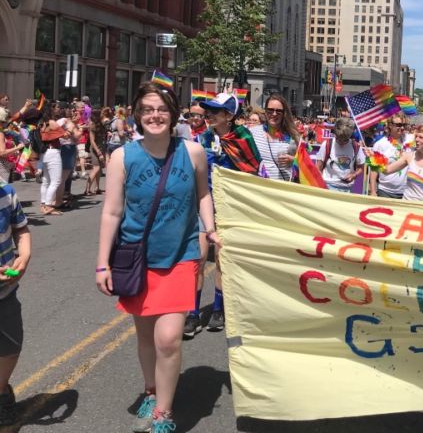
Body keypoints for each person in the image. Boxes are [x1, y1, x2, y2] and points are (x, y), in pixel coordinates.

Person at [96, 82, 216, 433]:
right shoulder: (122, 157)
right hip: (137, 259)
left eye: (161, 109)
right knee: (146, 336)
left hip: (180, 256)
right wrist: (102, 263)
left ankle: (163, 413)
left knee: (168, 339)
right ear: (137, 115)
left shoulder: (192, 152)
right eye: (147, 109)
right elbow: (112, 213)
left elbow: (203, 193)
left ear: (172, 113)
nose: (155, 115)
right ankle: (151, 389)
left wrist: (209, 230)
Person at [190, 93, 261, 337]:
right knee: (197, 258)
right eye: (207, 110)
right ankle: (192, 311)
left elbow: (251, 169)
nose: (208, 115)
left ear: (228, 116)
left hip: (230, 206)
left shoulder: (243, 137)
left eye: (214, 111)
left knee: (221, 259)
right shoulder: (202, 138)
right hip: (204, 204)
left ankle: (219, 309)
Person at [0, 180, 31, 425]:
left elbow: (20, 229)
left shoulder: (6, 192)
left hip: (4, 291)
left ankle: (1, 392)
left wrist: (25, 253)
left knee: (11, 347)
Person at [381, 126, 423, 202]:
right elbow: (386, 170)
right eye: (416, 137)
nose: (416, 139)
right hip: (408, 204)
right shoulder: (409, 156)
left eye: (421, 137)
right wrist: (373, 158)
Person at [250, 94, 299, 182]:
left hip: (282, 189)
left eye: (279, 111)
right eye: (270, 110)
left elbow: (306, 164)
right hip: (258, 188)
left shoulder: (292, 136)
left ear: (284, 113)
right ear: (265, 111)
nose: (274, 114)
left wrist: (293, 161)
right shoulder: (252, 133)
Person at [315, 118, 365, 193]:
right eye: (338, 139)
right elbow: (318, 167)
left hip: (347, 189)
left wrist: (353, 175)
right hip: (328, 186)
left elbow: (361, 167)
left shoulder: (356, 146)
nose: (341, 142)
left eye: (345, 140)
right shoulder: (327, 144)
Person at [369, 114, 409, 199]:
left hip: (406, 193)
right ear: (390, 125)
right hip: (385, 191)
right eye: (398, 125)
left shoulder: (410, 139)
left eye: (404, 125)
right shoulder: (380, 144)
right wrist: (373, 191)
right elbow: (374, 170)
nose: (402, 128)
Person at [38, 105, 65, 216]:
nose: (58, 109)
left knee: (46, 181)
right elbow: (65, 134)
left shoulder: (40, 123)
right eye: (56, 108)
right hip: (53, 152)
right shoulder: (52, 123)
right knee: (56, 180)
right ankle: (48, 205)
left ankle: (43, 204)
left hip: (44, 153)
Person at [85, 108, 106, 195]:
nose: (102, 115)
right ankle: (87, 189)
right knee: (96, 168)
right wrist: (99, 152)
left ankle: (97, 188)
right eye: (101, 114)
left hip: (101, 148)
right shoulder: (92, 126)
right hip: (95, 149)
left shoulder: (101, 125)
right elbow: (92, 141)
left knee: (99, 169)